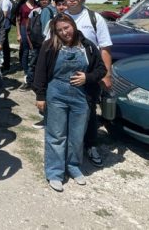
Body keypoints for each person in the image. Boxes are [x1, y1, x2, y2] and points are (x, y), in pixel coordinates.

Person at [33, 14, 107, 192]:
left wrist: (87, 77)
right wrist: (40, 96)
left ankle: (73, 166)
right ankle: (55, 172)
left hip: (80, 96)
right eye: (59, 30)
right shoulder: (50, 46)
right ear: (55, 32)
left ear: (73, 25)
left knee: (76, 135)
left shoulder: (87, 46)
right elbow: (40, 71)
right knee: (57, 135)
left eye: (66, 28)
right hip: (56, 94)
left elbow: (101, 69)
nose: (64, 32)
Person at [59, 0, 113, 167]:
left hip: (89, 74)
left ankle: (90, 145)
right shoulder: (59, 19)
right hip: (63, 74)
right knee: (65, 110)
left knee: (89, 111)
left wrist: (106, 75)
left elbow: (105, 48)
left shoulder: (94, 18)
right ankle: (68, 145)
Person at [17, 0, 38, 89]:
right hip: (24, 29)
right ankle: (26, 72)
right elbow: (18, 20)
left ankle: (33, 72)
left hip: (35, 30)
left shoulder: (38, 5)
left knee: (35, 51)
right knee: (25, 51)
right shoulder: (22, 6)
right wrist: (18, 34)